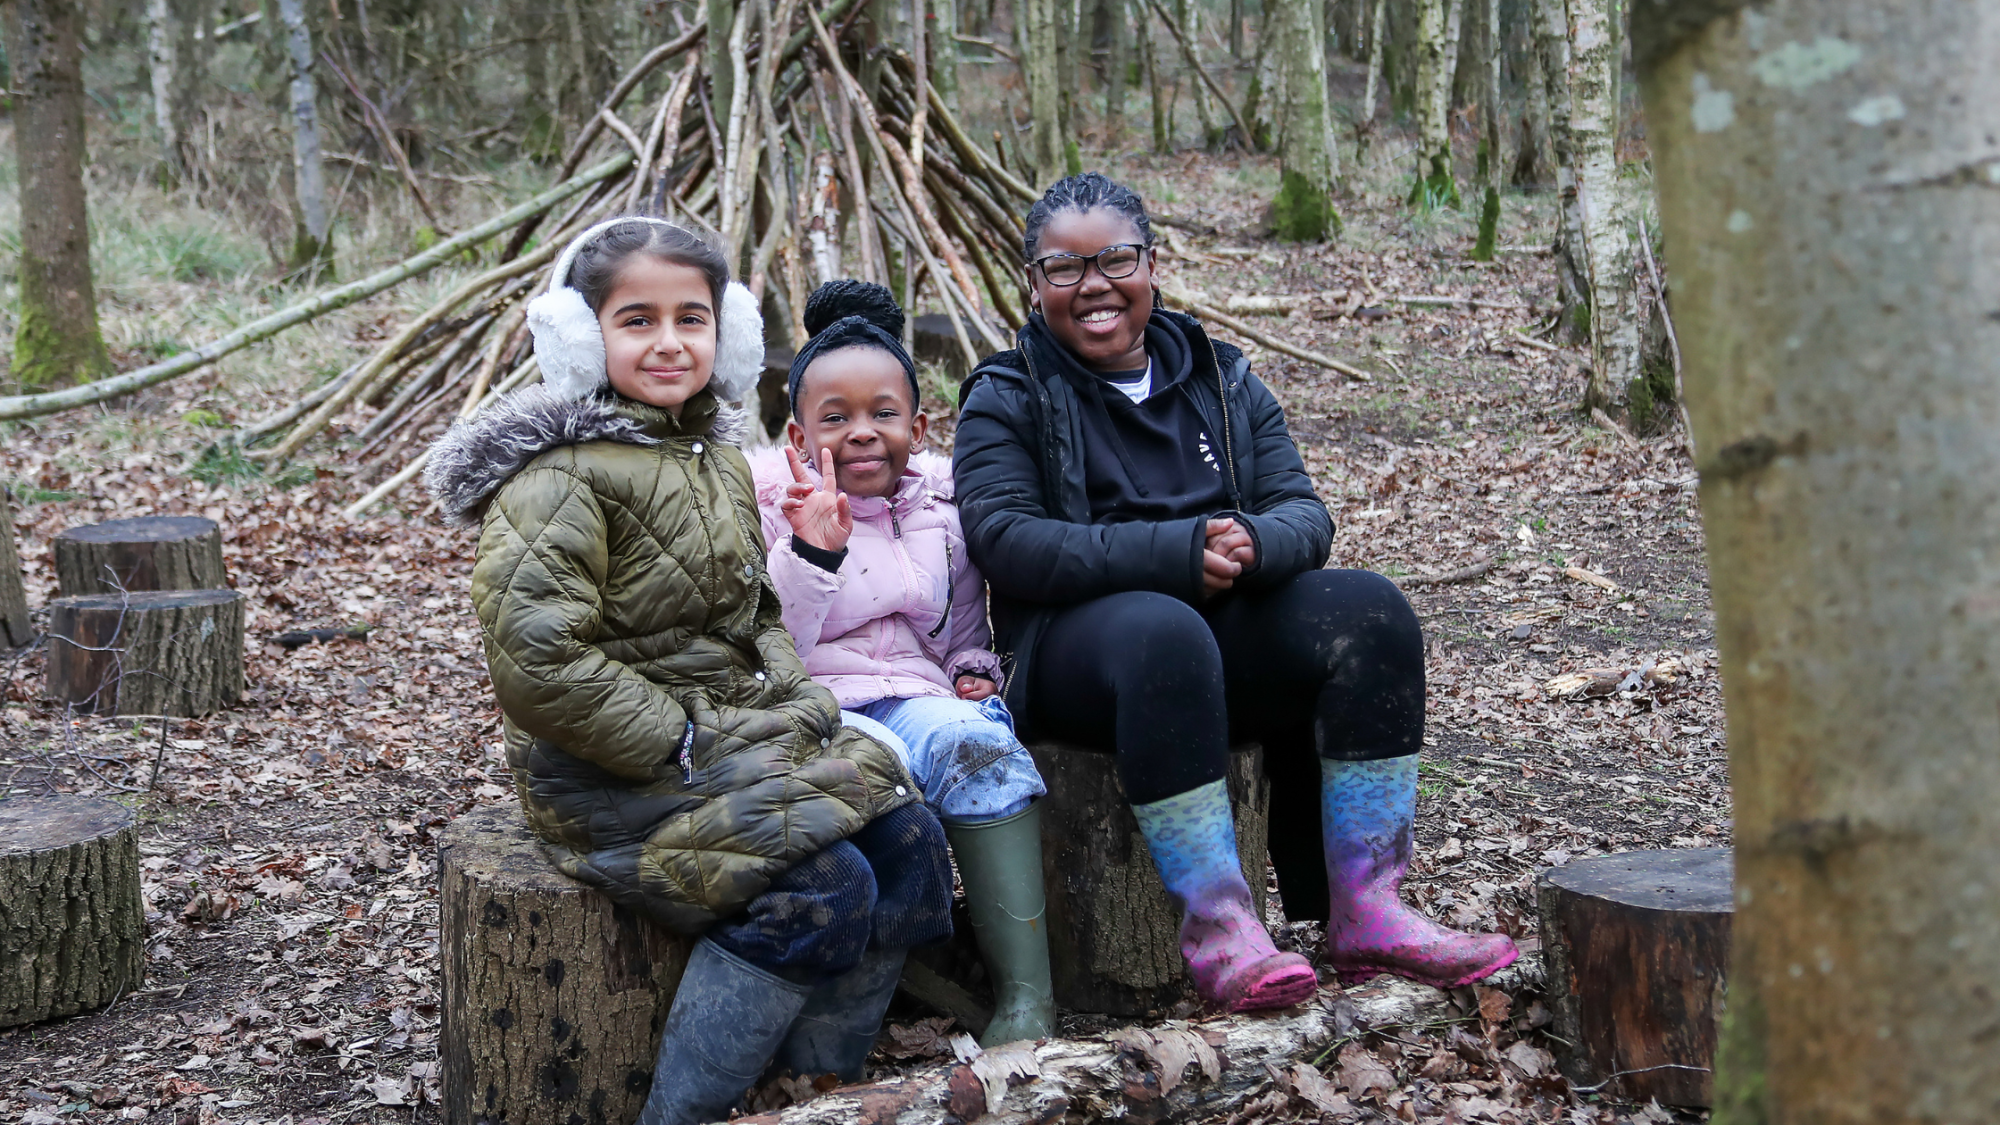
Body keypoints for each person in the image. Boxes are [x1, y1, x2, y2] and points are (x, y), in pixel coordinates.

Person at [424, 217, 953, 1125]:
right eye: (638, 320)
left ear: (729, 333)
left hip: (727, 735)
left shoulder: (706, 456)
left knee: (909, 851)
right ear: (584, 336)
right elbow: (538, 660)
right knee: (825, 889)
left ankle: (815, 1094)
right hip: (617, 769)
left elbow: (754, 616)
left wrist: (796, 700)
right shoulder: (562, 478)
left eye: (693, 319)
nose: (670, 342)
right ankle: (682, 1113)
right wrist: (677, 735)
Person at [952, 173, 1517, 1012]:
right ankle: (1220, 929)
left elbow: (1303, 510)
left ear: (1153, 265)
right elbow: (1010, 541)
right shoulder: (1006, 396)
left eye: (1116, 259)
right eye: (1064, 269)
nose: (1094, 285)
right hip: (1080, 653)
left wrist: (1256, 542)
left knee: (1373, 611)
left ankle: (1370, 910)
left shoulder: (1221, 377)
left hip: (1222, 628)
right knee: (1163, 630)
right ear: (1034, 286)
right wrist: (1174, 552)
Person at [748, 280, 1055, 1046]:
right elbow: (774, 637)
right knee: (871, 783)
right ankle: (833, 1028)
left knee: (979, 749)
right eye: (836, 418)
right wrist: (813, 546)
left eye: (882, 414)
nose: (861, 432)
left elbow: (958, 629)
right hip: (819, 700)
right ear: (797, 434)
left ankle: (1027, 998)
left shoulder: (943, 510)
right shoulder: (770, 509)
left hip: (917, 693)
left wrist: (971, 669)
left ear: (916, 426)